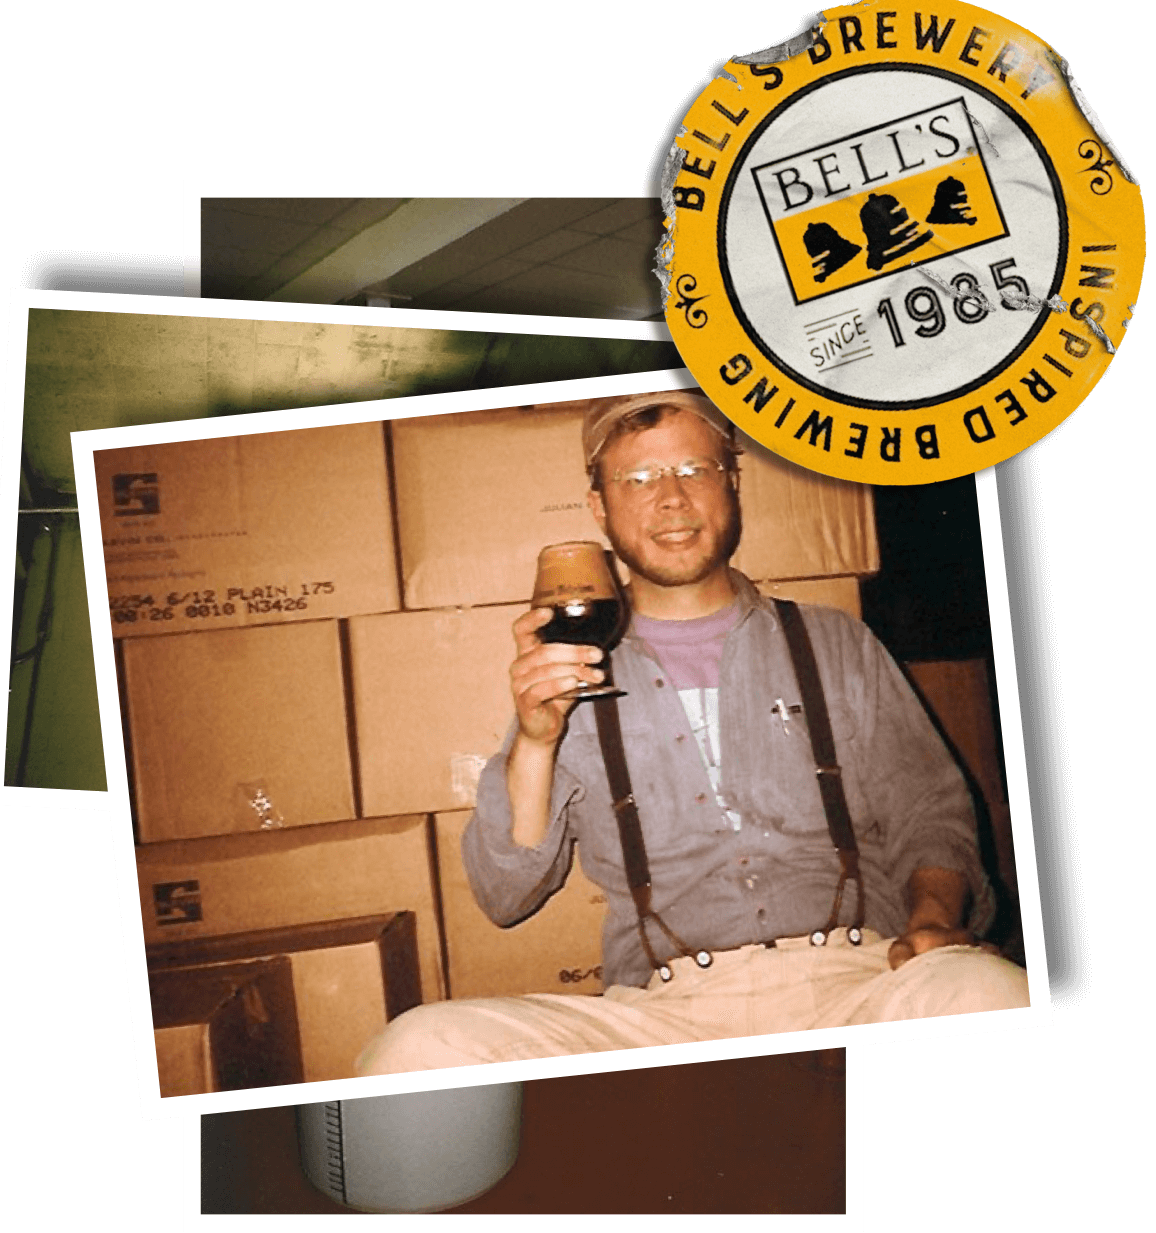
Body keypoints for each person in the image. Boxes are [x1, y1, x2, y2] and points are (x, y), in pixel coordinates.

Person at [357, 389, 1028, 1075]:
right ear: (599, 508)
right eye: (638, 478)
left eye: (694, 470)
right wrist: (536, 740)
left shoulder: (834, 641)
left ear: (730, 485)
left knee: (995, 994)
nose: (671, 498)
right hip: (664, 1013)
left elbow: (930, 809)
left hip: (860, 979)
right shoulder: (566, 673)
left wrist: (932, 920)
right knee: (415, 1047)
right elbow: (505, 896)